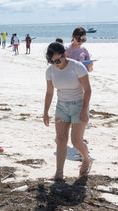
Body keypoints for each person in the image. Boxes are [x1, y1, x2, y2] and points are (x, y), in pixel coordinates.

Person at [43, 42, 92, 181]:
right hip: (61, 107)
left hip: (78, 105)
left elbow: (88, 90)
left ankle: (86, 159)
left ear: (64, 55)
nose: (55, 64)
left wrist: (84, 110)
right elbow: (49, 93)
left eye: (58, 60)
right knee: (60, 140)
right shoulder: (50, 70)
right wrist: (45, 112)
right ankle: (59, 173)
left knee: (76, 141)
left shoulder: (77, 67)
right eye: (52, 61)